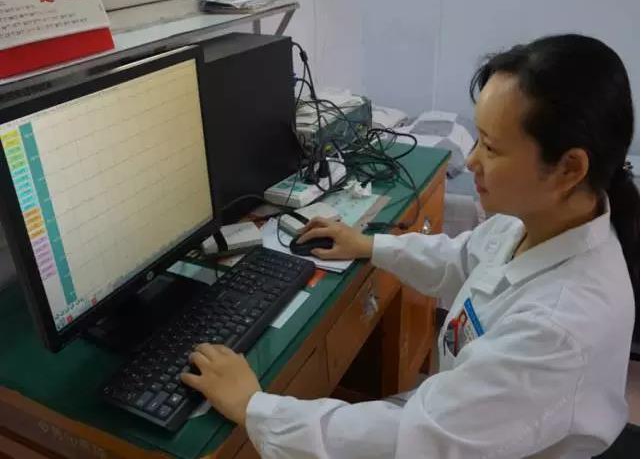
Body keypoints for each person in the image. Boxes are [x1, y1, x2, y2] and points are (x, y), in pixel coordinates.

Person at [181, 34, 639, 458]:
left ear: (569, 169)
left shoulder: (559, 328)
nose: (472, 161)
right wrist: (369, 245)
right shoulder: (541, 222)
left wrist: (255, 407)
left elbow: (415, 440)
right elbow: (463, 258)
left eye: (491, 148)